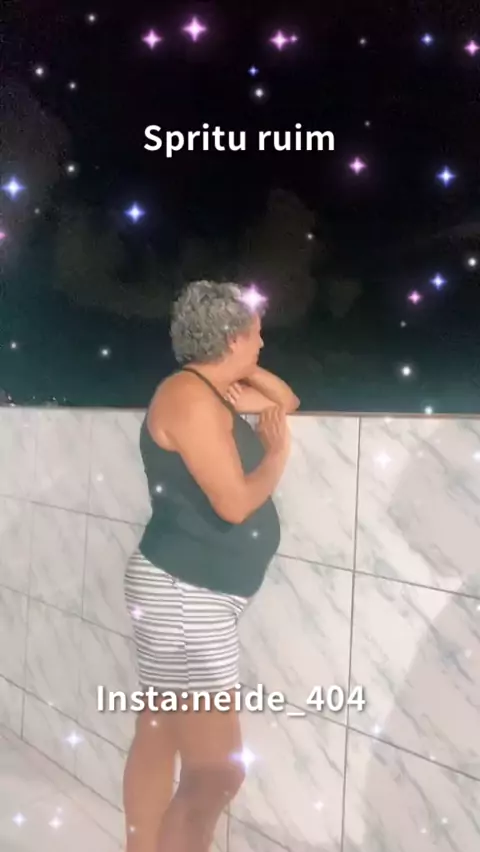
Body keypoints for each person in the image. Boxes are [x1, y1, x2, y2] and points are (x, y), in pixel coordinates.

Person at [123, 280, 299, 852]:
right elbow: (235, 503)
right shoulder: (192, 399)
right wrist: (277, 454)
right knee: (216, 773)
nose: (263, 341)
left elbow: (285, 401)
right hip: (185, 595)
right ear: (231, 337)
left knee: (158, 733)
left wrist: (236, 366)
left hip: (187, 589)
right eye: (255, 334)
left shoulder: (209, 390)